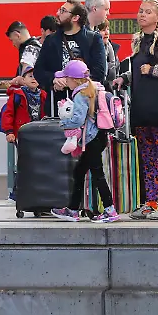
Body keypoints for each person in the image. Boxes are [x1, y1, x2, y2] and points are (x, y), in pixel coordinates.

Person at [113, 0, 158, 221]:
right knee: (148, 159)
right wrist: (124, 77)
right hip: (143, 109)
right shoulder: (138, 40)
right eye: (140, 11)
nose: (142, 15)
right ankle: (151, 202)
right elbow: (139, 69)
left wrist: (154, 70)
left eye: (148, 12)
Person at [49, 60, 119, 223]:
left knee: (97, 174)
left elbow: (78, 120)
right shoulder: (95, 87)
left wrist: (63, 123)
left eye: (67, 78)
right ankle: (73, 210)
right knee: (79, 171)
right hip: (100, 136)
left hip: (92, 139)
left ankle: (110, 210)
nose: (65, 81)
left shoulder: (81, 94)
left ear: (75, 80)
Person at [34, 0, 106, 100]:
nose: (58, 13)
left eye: (63, 11)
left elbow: (99, 73)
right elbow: (38, 71)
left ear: (75, 18)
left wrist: (73, 82)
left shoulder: (93, 39)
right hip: (57, 102)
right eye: (60, 10)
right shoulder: (51, 40)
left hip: (85, 101)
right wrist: (53, 79)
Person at [1, 66, 47, 145]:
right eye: (30, 76)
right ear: (23, 80)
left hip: (40, 133)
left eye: (36, 76)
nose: (34, 78)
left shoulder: (43, 95)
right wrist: (9, 131)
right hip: (22, 133)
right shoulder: (17, 95)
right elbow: (8, 113)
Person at [95, 21, 118, 87]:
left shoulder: (113, 51)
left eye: (108, 29)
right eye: (103, 30)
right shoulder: (89, 52)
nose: (107, 33)